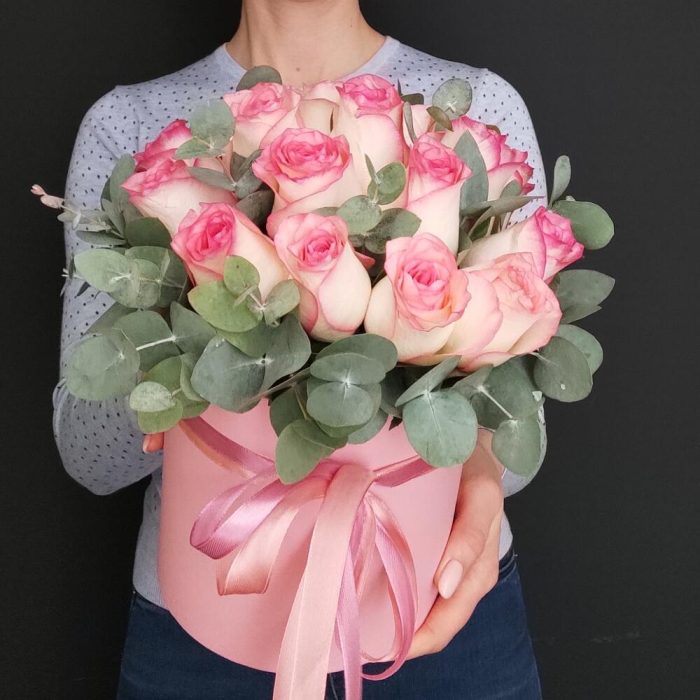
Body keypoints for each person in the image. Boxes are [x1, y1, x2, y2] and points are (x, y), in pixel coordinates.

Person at [53, 1, 547, 697]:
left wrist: (484, 474)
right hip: (208, 622)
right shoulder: (132, 126)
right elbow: (89, 456)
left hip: (437, 608)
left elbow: (523, 438)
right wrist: (185, 352)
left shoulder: (476, 115)